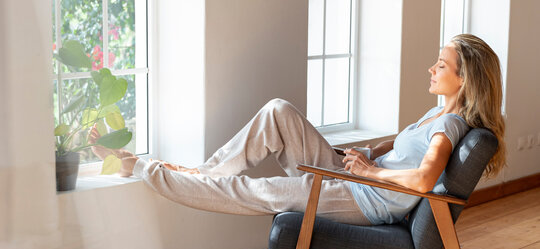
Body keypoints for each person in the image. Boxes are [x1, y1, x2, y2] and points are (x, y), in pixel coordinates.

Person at [90, 34, 506, 226]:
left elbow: (422, 179)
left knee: (256, 191)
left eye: (441, 65)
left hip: (366, 198)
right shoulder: (437, 115)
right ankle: (202, 172)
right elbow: (401, 148)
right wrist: (364, 153)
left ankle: (144, 168)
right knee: (279, 111)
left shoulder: (450, 123)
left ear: (465, 79)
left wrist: (369, 172)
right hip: (354, 178)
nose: (431, 69)